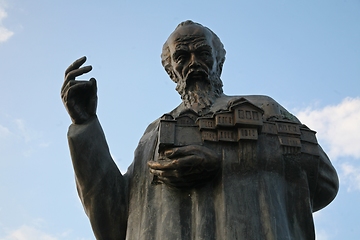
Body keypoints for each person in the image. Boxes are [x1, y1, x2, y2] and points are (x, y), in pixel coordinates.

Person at [61, 20, 338, 240]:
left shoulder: (264, 110)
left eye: (202, 53)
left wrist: (225, 164)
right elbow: (115, 221)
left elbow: (324, 180)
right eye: (182, 56)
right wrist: (85, 127)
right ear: (171, 71)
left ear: (219, 61)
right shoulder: (154, 135)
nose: (194, 63)